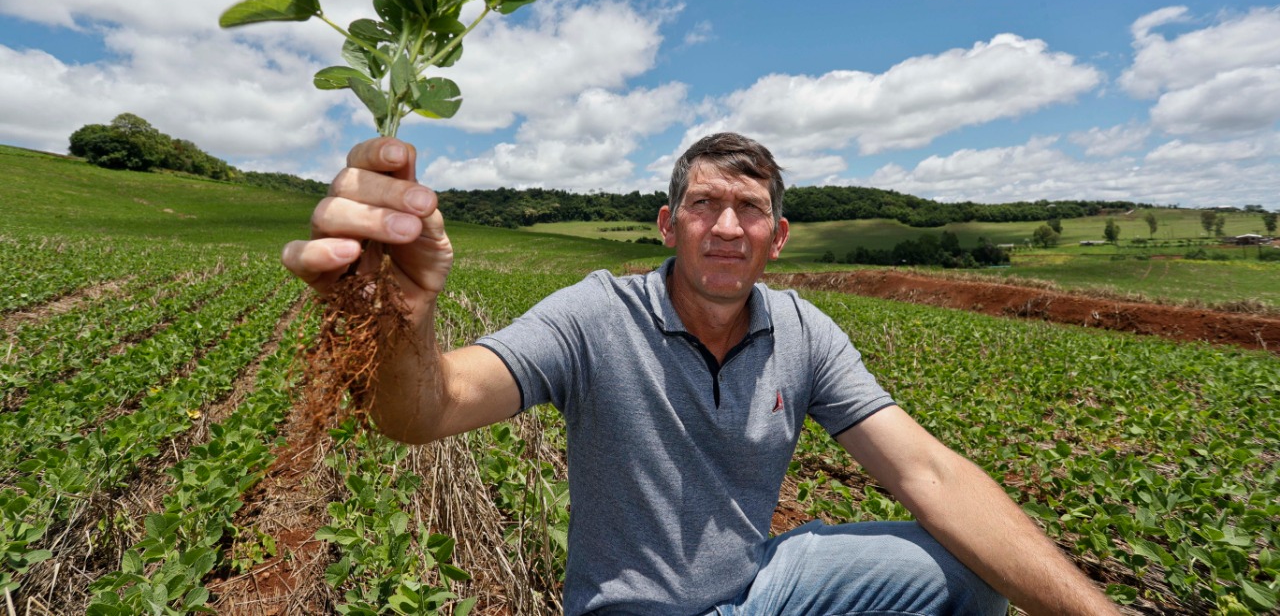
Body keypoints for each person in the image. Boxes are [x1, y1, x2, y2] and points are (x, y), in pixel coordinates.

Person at [284, 133, 1120, 616]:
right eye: (704, 204)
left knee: (970, 577)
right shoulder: (595, 315)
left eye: (749, 208)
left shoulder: (803, 331)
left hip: (760, 589)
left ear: (778, 235)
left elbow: (929, 470)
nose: (727, 225)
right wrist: (399, 318)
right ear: (667, 223)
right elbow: (428, 408)